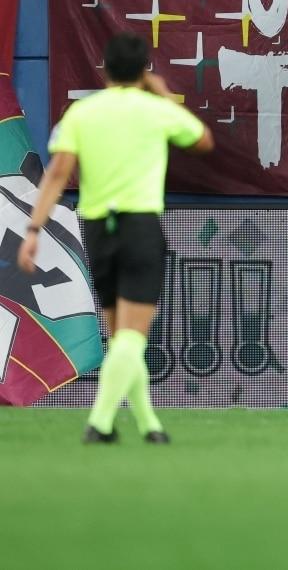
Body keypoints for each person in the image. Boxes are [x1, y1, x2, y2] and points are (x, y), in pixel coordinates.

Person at [17, 32, 214, 443]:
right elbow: (202, 140)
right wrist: (160, 95)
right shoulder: (153, 110)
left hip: (98, 231)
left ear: (104, 70)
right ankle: (101, 421)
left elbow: (57, 173)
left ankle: (148, 425)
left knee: (122, 335)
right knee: (132, 335)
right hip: (139, 227)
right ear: (144, 72)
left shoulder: (83, 114)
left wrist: (34, 229)